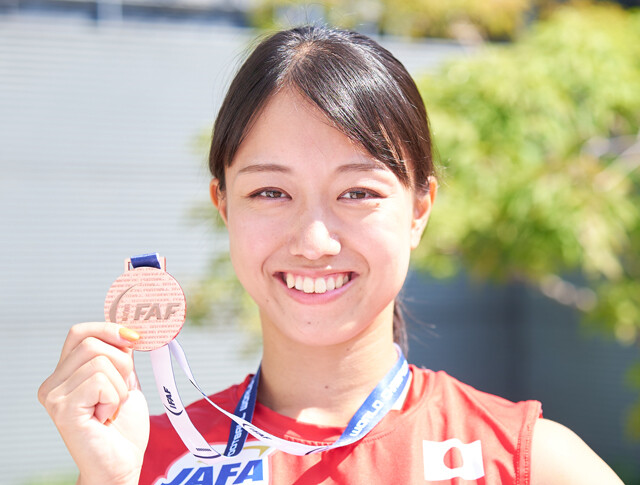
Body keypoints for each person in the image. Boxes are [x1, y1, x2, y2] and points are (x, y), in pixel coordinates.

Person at [38, 25, 623, 485]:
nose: (314, 242)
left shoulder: (523, 462)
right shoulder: (146, 458)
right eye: (271, 192)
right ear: (224, 206)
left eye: (358, 193)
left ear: (420, 209)